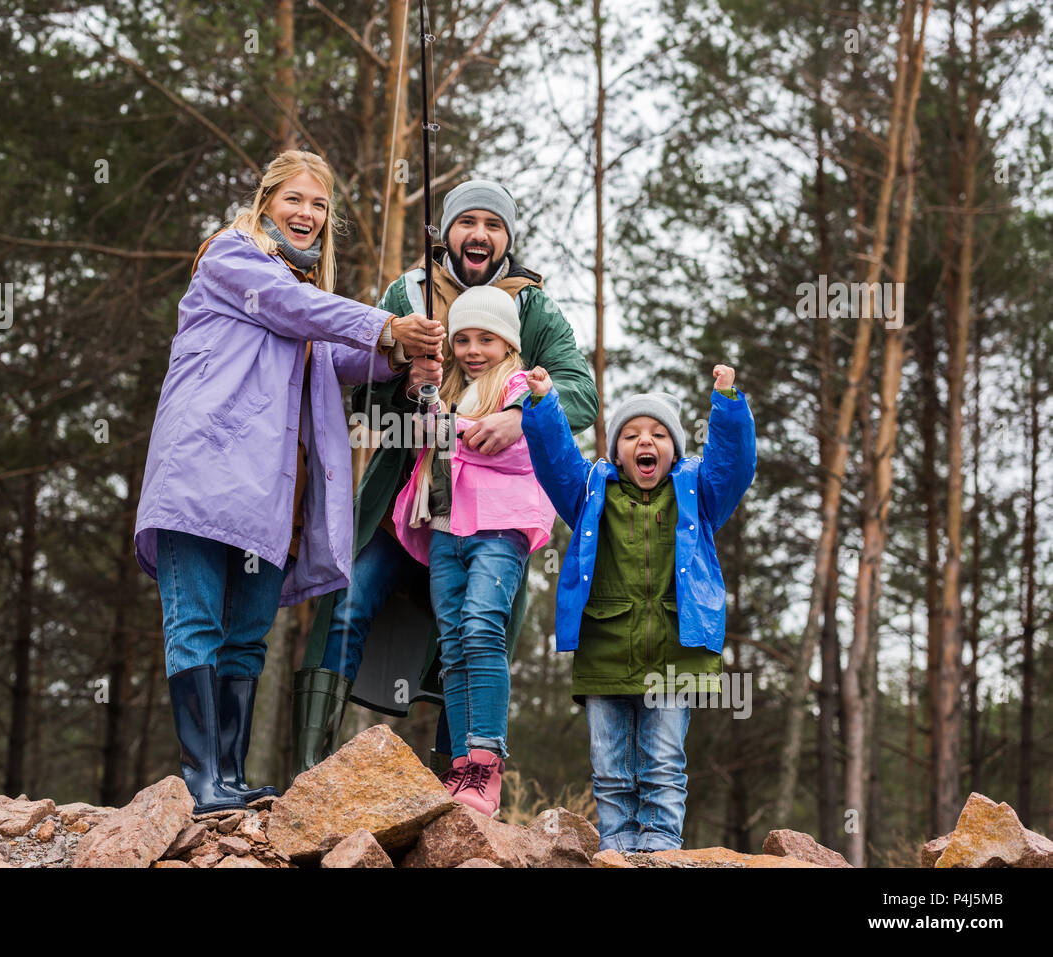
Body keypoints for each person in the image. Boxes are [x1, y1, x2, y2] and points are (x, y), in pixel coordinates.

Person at [133, 150, 443, 812]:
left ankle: (231, 777)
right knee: (196, 625)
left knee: (248, 636)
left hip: (271, 496)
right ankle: (204, 779)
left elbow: (337, 353)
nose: (307, 214)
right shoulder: (229, 258)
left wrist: (399, 358)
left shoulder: (304, 296)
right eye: (295, 199)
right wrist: (388, 324)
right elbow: (292, 307)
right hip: (199, 477)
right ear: (265, 200)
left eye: (320, 205)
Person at [292, 179, 600, 776]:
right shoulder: (406, 295)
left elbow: (580, 392)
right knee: (347, 602)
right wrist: (406, 387)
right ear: (447, 233)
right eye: (467, 223)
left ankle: (457, 784)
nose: (479, 235)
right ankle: (311, 771)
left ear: (507, 238)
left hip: (489, 516)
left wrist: (520, 418)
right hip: (402, 504)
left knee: (476, 632)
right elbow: (364, 408)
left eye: (493, 225)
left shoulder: (534, 308)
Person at [520, 362, 755, 851]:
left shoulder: (699, 494)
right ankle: (617, 850)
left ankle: (661, 850)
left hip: (678, 650)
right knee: (609, 769)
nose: (644, 442)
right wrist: (543, 404)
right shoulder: (591, 493)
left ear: (674, 450)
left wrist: (727, 403)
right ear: (618, 455)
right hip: (604, 647)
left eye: (657, 434)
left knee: (663, 765)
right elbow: (556, 461)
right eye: (630, 435)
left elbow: (733, 465)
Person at [389, 288, 556, 815]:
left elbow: (514, 450)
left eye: (487, 338)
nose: (473, 348)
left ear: (508, 342)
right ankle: (462, 769)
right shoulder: (448, 388)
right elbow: (420, 441)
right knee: (455, 642)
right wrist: (427, 404)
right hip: (446, 529)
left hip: (498, 527)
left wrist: (452, 431)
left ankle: (487, 762)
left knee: (483, 628)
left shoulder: (516, 388)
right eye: (462, 338)